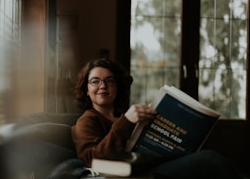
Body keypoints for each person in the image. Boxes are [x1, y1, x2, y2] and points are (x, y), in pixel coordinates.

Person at [71, 57, 243, 179]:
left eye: (109, 80)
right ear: (86, 90)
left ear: (117, 87)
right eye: (95, 81)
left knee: (206, 160)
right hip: (134, 174)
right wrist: (126, 122)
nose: (103, 86)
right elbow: (91, 160)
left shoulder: (125, 114)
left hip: (153, 164)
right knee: (209, 160)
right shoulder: (87, 120)